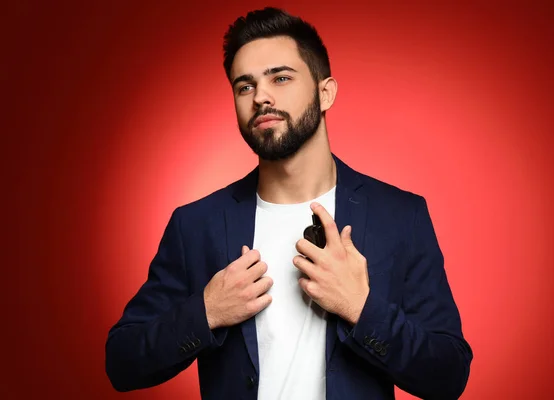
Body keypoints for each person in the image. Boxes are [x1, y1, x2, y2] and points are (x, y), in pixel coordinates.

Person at [105, 7, 473, 400]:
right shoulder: (196, 225)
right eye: (244, 86)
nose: (261, 96)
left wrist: (361, 309)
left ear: (325, 91)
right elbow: (123, 362)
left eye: (280, 78)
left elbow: (448, 374)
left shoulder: (400, 216)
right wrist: (207, 313)